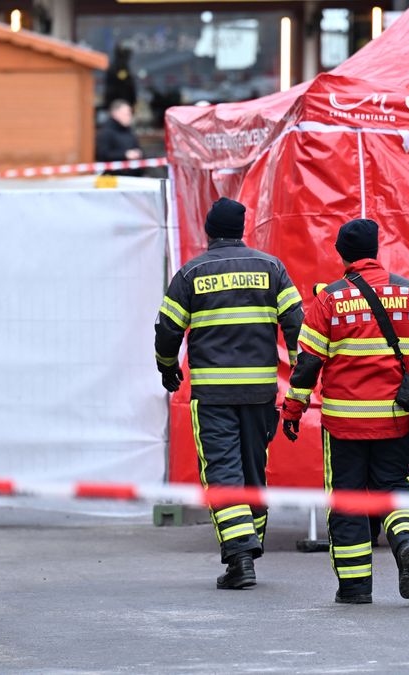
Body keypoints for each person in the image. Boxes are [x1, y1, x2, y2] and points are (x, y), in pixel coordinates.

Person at [279, 218, 409, 605]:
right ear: (375, 249)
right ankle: (406, 540)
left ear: (341, 254)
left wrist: (292, 409)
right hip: (395, 422)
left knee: (348, 502)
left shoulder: (329, 300)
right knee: (394, 489)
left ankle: (355, 588)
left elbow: (307, 365)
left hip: (344, 427)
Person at [154, 197, 303, 590]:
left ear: (208, 231)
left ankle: (240, 555)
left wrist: (167, 366)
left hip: (215, 394)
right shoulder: (271, 268)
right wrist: (301, 383)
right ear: (241, 231)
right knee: (253, 472)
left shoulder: (192, 272)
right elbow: (297, 326)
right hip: (259, 394)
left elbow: (168, 329)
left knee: (223, 472)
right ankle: (251, 545)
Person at [95, 99, 143, 176]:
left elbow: (137, 148)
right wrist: (125, 154)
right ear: (115, 114)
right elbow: (102, 154)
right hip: (114, 179)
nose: (130, 116)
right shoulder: (106, 132)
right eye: (126, 114)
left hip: (133, 177)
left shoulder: (129, 131)